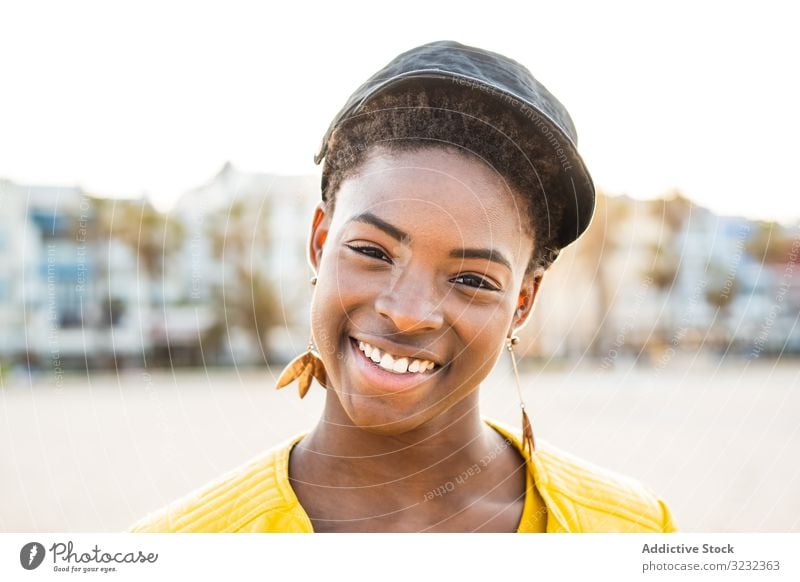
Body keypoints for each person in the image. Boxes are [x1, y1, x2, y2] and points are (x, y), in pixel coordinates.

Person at [129, 40, 676, 533]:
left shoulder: (631, 529)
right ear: (320, 241)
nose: (409, 313)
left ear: (522, 305)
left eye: (471, 279)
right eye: (372, 251)